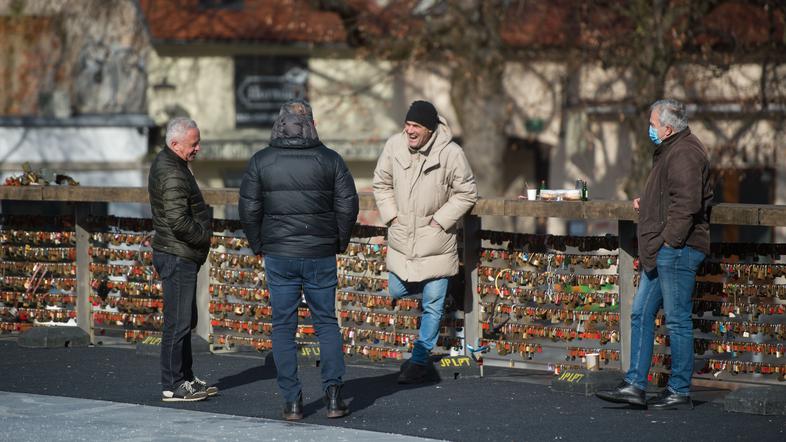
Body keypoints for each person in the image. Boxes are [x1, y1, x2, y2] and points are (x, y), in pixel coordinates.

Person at [239, 99, 359, 420]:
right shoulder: (330, 160)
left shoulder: (261, 161)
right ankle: (333, 396)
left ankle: (292, 401)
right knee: (326, 323)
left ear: (280, 124)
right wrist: (339, 241)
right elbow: (348, 205)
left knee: (283, 326)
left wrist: (257, 243)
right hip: (320, 252)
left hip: (279, 253)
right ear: (311, 124)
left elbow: (249, 208)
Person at [596, 99, 712, 410]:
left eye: (653, 124)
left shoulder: (685, 152)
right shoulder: (673, 150)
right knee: (641, 313)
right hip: (665, 250)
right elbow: (669, 196)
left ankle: (679, 389)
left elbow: (687, 204)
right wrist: (646, 201)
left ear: (668, 127)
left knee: (676, 321)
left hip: (678, 250)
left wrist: (668, 244)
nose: (650, 129)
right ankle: (635, 384)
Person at [373, 100, 478, 384]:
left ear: (430, 130)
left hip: (436, 240)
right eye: (407, 125)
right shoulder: (394, 146)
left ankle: (418, 360)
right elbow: (380, 183)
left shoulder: (452, 153)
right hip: (402, 236)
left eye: (415, 126)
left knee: (432, 304)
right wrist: (392, 217)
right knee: (395, 289)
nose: (409, 130)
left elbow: (467, 192)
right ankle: (449, 287)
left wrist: (441, 220)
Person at [148, 117, 218, 402]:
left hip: (178, 252)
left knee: (184, 319)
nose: (198, 148)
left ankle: (186, 378)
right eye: (193, 144)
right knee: (177, 322)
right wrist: (204, 237)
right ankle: (173, 383)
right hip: (177, 254)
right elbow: (178, 220)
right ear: (175, 144)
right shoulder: (173, 172)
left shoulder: (172, 165)